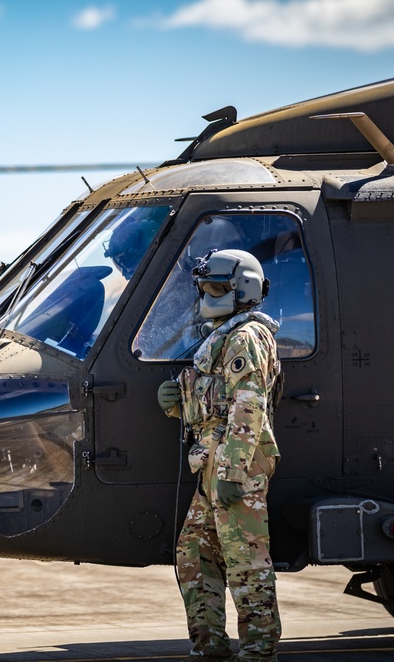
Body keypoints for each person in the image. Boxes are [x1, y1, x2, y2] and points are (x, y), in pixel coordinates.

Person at [156, 248, 283, 662]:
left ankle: (259, 651)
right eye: (205, 286)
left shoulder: (246, 336)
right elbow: (215, 403)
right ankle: (209, 645)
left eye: (214, 287)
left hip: (235, 465)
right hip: (213, 462)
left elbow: (249, 404)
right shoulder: (224, 335)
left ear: (240, 289)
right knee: (194, 551)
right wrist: (177, 402)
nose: (206, 295)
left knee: (246, 561)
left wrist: (231, 470)